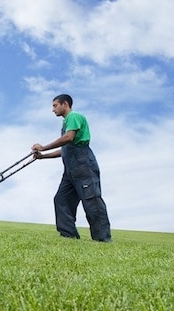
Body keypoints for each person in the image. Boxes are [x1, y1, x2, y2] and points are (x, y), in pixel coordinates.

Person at [31, 94, 111, 242]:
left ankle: (103, 239)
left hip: (83, 166)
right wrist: (43, 156)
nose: (53, 109)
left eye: (55, 105)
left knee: (92, 202)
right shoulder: (66, 123)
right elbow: (65, 150)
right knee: (61, 199)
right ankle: (69, 236)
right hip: (70, 171)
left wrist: (44, 147)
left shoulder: (74, 116)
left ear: (65, 104)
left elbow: (68, 139)